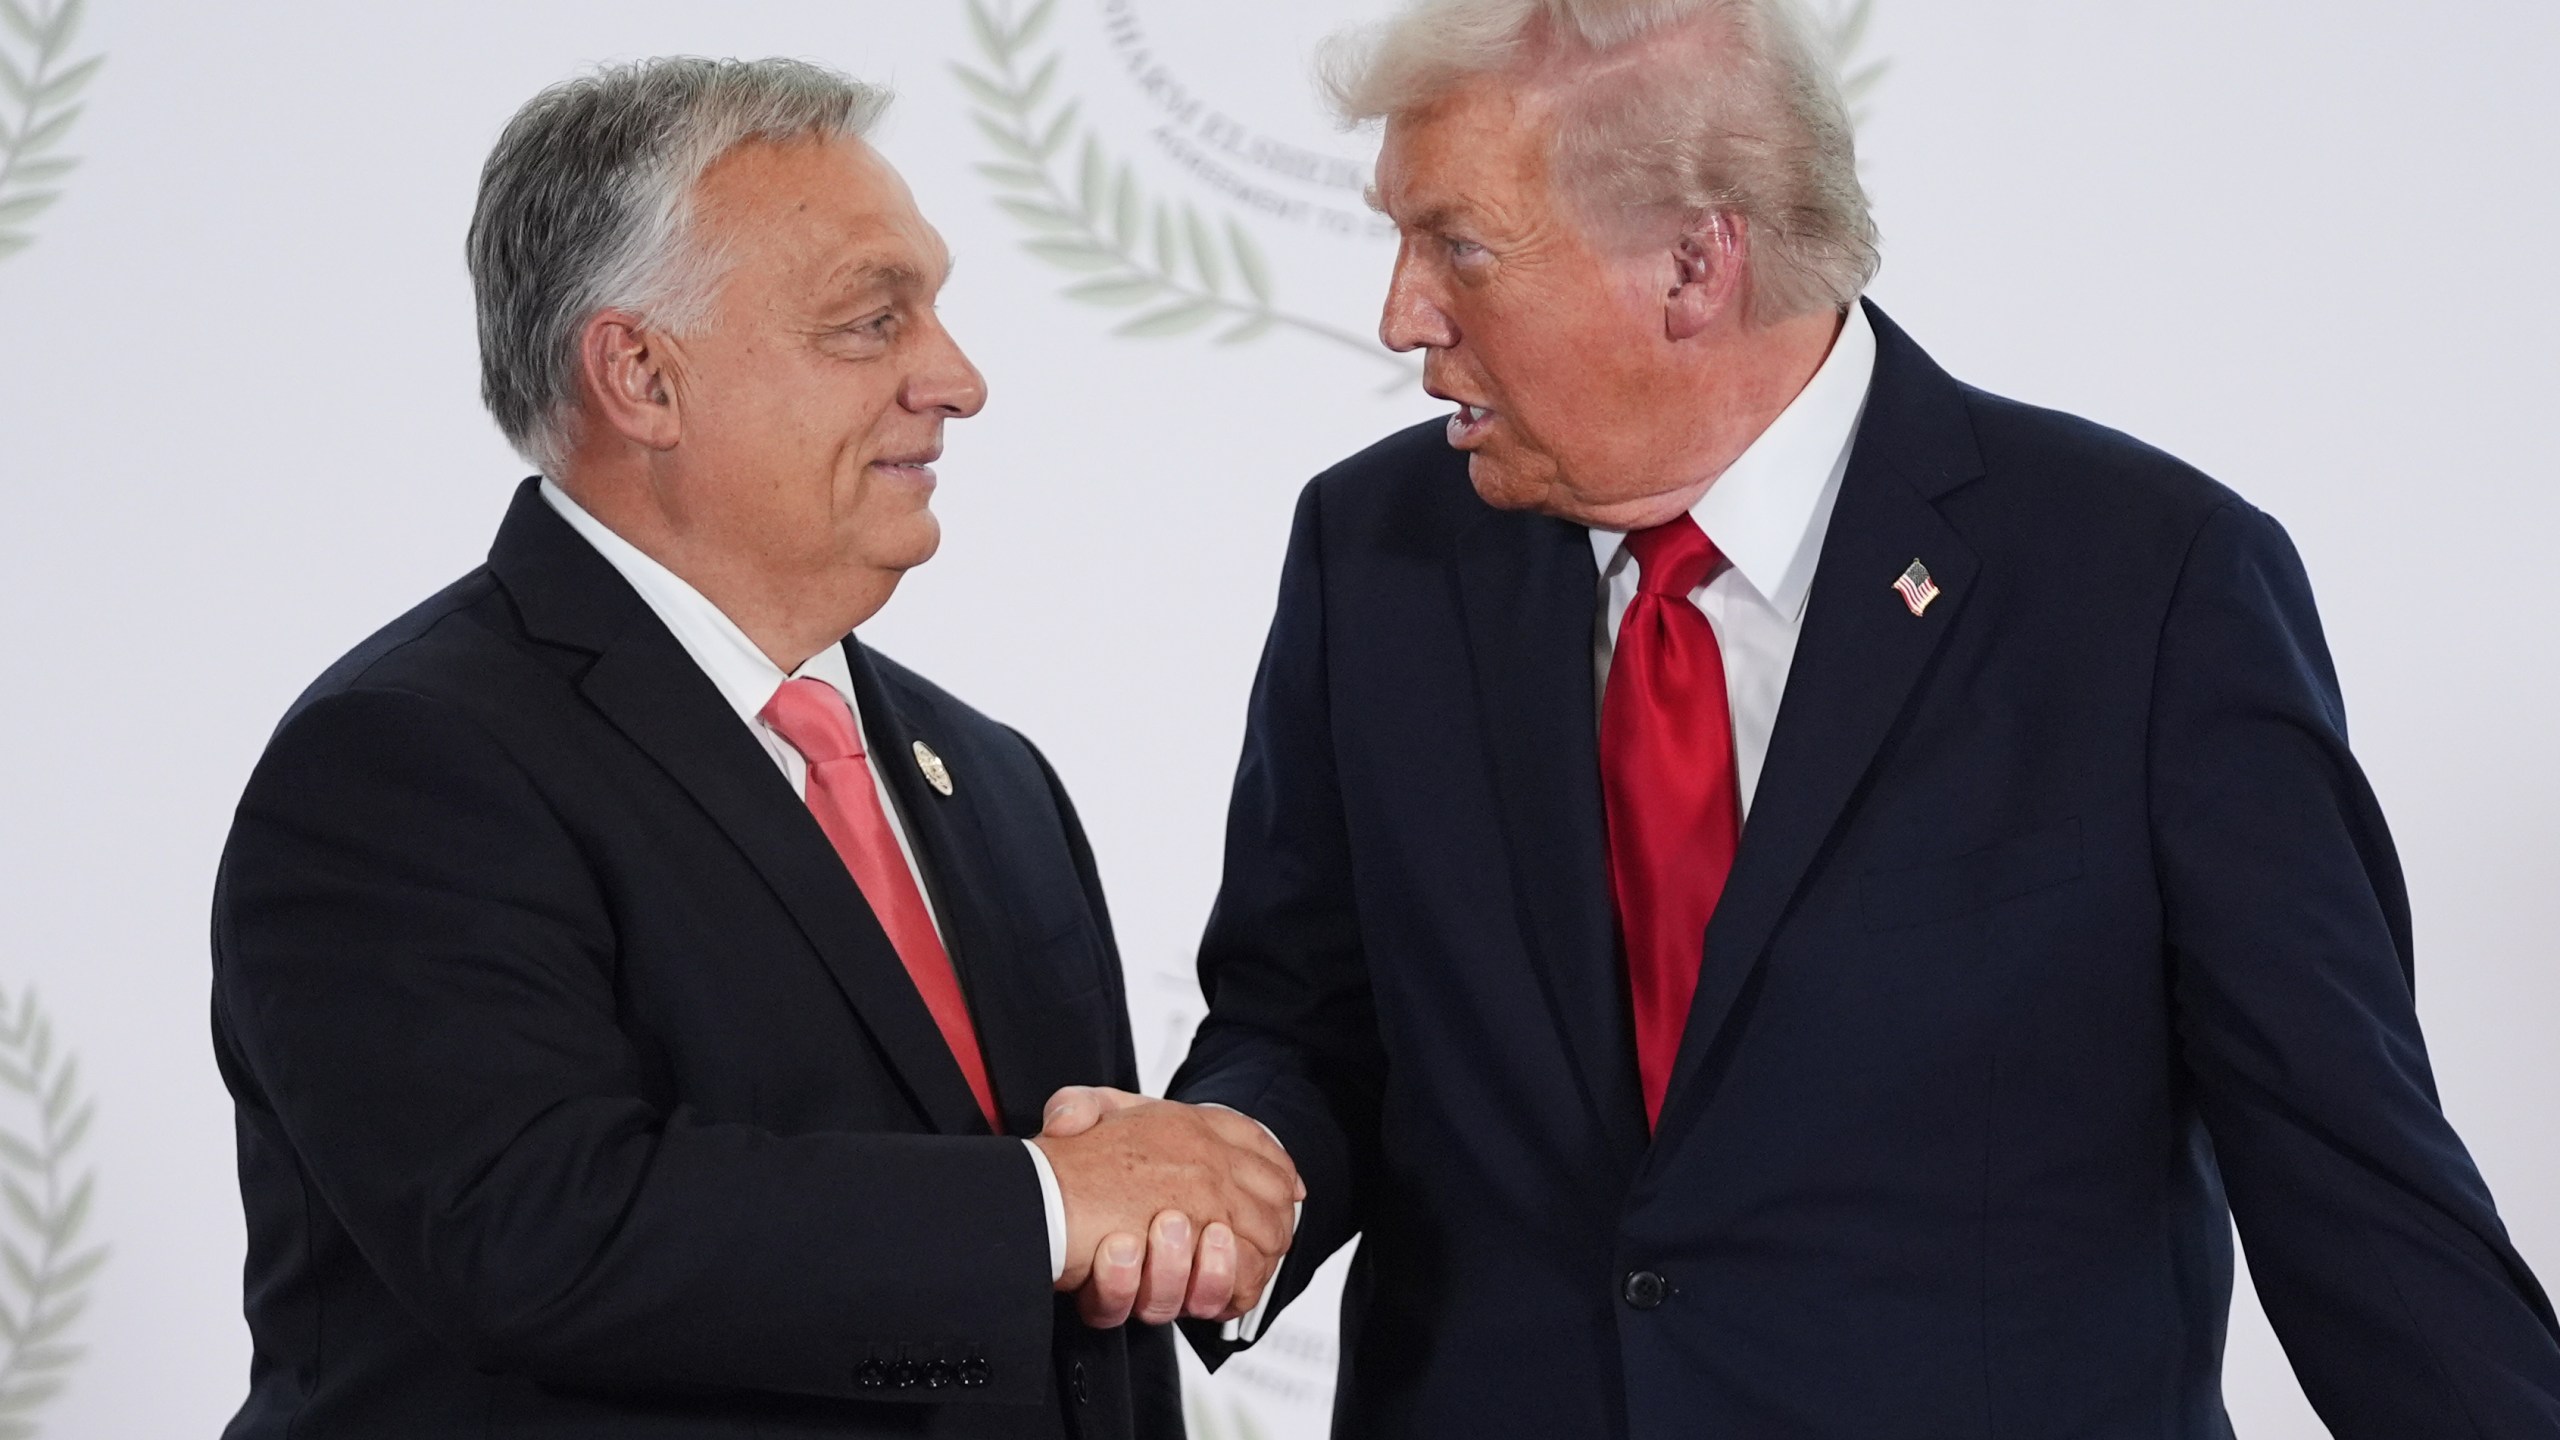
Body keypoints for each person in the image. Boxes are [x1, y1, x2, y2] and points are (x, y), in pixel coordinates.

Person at [1041, 0, 2560, 1434]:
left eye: (1459, 247)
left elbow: (2348, 1173)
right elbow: (1305, 1023)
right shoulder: (1376, 553)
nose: (1399, 314)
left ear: (1697, 265)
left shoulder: (2144, 586)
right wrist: (1238, 1176)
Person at [208, 57, 1294, 1439]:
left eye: (937, 310)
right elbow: (538, 1234)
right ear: (642, 375)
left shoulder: (995, 780)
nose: (955, 378)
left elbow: (1019, 1317)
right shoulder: (404, 762)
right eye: (869, 322)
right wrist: (1047, 1201)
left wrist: (1169, 1209)